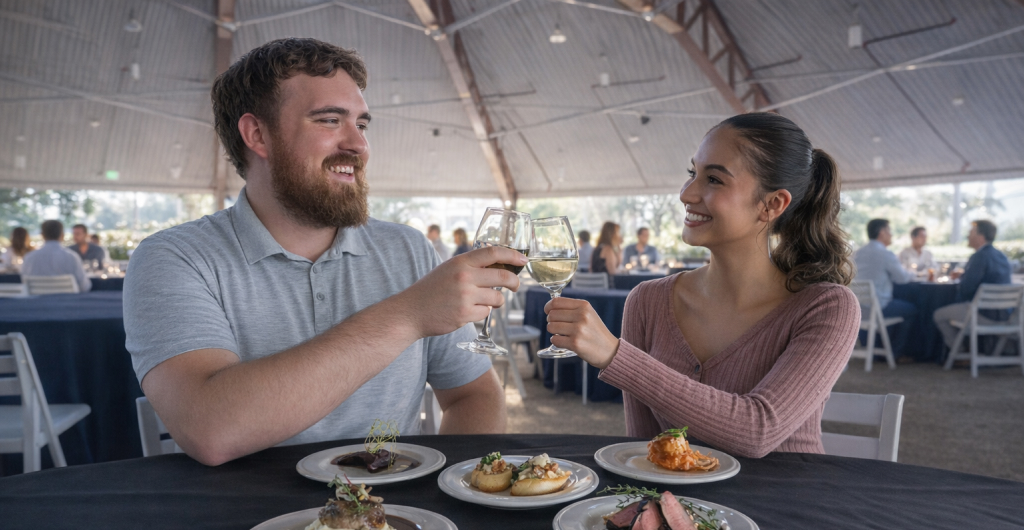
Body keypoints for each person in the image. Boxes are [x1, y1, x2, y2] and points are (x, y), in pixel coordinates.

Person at [123, 38, 519, 467]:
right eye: (330, 120)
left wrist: (450, 486)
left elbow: (472, 395)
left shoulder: (407, 250)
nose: (358, 145)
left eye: (362, 125)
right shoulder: (174, 258)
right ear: (257, 134)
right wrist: (408, 315)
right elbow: (210, 430)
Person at [544, 113, 859, 458]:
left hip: (783, 504)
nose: (686, 193)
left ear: (773, 204)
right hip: (683, 508)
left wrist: (616, 356)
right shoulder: (647, 301)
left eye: (714, 180)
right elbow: (644, 451)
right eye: (693, 173)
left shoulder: (827, 307)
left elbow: (758, 430)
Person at [933, 220, 1012, 351]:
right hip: (1006, 315)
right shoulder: (1002, 256)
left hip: (983, 315)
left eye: (970, 233)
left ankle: (960, 353)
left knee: (939, 315)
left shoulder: (979, 257)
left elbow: (966, 289)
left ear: (980, 237)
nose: (967, 236)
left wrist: (962, 280)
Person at [852, 219, 917, 359]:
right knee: (912, 310)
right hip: (878, 308)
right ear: (882, 233)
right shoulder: (886, 254)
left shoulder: (857, 253)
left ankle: (875, 347)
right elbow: (902, 278)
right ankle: (895, 353)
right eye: (890, 231)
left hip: (858, 309)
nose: (892, 235)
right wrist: (914, 274)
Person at [21, 220, 92, 292]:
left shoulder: (29, 258)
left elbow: (24, 283)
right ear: (62, 235)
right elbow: (84, 287)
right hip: (67, 302)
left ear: (42, 235)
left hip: (38, 302)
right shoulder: (72, 257)